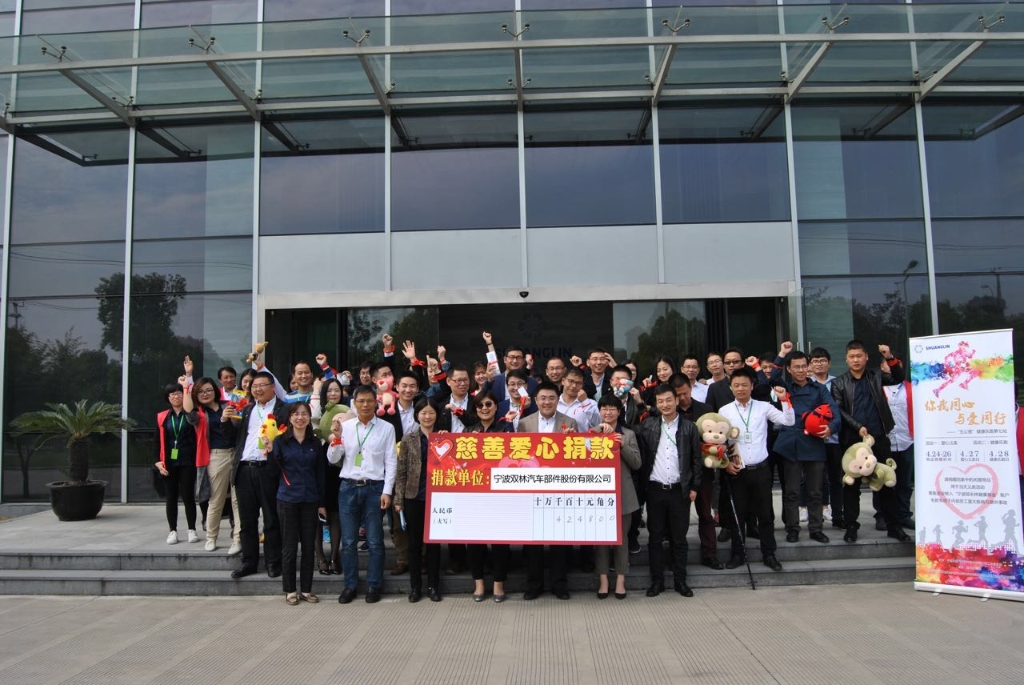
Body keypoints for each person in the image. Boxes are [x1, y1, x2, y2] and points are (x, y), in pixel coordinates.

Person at [831, 340, 910, 543]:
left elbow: (898, 377)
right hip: (852, 440)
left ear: (866, 357)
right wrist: (857, 426)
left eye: (859, 356)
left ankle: (893, 526)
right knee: (851, 486)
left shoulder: (876, 376)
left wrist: (889, 357)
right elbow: (838, 410)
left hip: (879, 438)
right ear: (846, 359)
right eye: (852, 356)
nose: (856, 360)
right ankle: (851, 526)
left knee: (885, 481)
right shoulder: (839, 382)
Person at [327, 384, 398, 604]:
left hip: (375, 488)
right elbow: (332, 458)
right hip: (348, 487)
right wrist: (336, 438)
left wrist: (387, 491)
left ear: (376, 402)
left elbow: (391, 462)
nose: (365, 405)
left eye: (369, 401)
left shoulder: (386, 428)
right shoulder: (346, 427)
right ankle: (350, 585)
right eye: (361, 401)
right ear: (354, 404)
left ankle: (374, 585)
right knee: (348, 541)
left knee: (375, 540)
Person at [720, 366, 794, 572]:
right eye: (736, 385)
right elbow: (719, 441)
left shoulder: (764, 407)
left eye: (744, 385)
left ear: (752, 386)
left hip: (761, 469)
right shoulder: (724, 411)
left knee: (765, 515)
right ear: (731, 388)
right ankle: (738, 554)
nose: (740, 389)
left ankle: (769, 554)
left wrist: (784, 399)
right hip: (738, 470)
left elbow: (789, 421)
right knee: (738, 515)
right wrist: (726, 464)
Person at [636, 384, 702, 597]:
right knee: (655, 538)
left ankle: (680, 581)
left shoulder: (689, 427)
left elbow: (696, 460)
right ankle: (657, 581)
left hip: (679, 491)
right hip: (655, 490)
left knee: (679, 538)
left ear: (676, 400)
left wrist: (694, 487)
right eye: (660, 401)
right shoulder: (648, 425)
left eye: (668, 400)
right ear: (656, 404)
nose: (665, 404)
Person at [770, 344, 840, 544]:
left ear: (808, 367)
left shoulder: (819, 389)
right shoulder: (785, 387)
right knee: (792, 491)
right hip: (791, 442)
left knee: (815, 491)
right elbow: (773, 377)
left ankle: (816, 529)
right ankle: (792, 528)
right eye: (796, 367)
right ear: (789, 369)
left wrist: (831, 428)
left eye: (803, 366)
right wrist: (782, 354)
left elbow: (834, 411)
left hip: (814, 442)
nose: (800, 370)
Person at [517, 381, 578, 600]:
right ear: (535, 400)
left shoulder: (569, 423)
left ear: (557, 400)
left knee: (559, 538)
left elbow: (576, 456)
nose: (547, 402)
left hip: (559, 487)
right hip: (532, 488)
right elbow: (519, 456)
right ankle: (534, 585)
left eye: (551, 398)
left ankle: (559, 585)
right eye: (543, 398)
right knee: (533, 540)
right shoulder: (524, 423)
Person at [269, 401, 326, 605]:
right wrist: (270, 453)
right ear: (290, 418)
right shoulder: (280, 441)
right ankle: (290, 589)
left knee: (309, 547)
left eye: (304, 414)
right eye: (296, 414)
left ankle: (307, 589)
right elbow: (272, 472)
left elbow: (320, 474)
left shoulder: (315, 443)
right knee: (289, 547)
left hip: (310, 500)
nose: (300, 418)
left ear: (310, 418)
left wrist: (322, 502)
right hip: (288, 499)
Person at [228, 370, 283, 580]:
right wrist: (225, 421)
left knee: (271, 518)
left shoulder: (283, 409)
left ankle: (273, 562)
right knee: (247, 520)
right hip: (244, 469)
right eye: (254, 386)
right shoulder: (246, 409)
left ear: (273, 387)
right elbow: (232, 438)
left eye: (262, 385)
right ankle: (249, 562)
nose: (257, 389)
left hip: (268, 469)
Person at [182, 368, 240, 555]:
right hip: (216, 456)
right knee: (216, 500)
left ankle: (238, 539)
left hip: (236, 454)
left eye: (208, 390)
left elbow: (239, 426)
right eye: (200, 392)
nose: (205, 394)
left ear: (215, 390)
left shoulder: (228, 405)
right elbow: (187, 410)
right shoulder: (199, 413)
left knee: (238, 500)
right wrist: (186, 385)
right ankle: (211, 537)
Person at [465, 391, 514, 602]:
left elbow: (512, 458)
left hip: (499, 493)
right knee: (474, 540)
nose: (484, 408)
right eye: (480, 405)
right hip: (474, 493)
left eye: (488, 404)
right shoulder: (468, 431)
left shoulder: (506, 428)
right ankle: (478, 584)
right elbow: (461, 463)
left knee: (499, 540)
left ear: (496, 406)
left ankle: (498, 583)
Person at [394, 399, 444, 603]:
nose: (427, 416)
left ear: (436, 415)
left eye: (431, 413)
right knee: (414, 544)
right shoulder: (408, 439)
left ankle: (433, 586)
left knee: (434, 545)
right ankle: (415, 587)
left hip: (437, 497)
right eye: (423, 413)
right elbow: (401, 471)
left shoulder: (444, 438)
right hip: (413, 496)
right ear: (417, 415)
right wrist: (398, 499)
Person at [592, 394, 641, 599]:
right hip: (598, 494)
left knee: (621, 539)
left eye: (612, 408)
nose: (608, 412)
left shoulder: (628, 434)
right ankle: (603, 580)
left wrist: (622, 446)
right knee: (601, 540)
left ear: (619, 412)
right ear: (599, 412)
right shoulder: (592, 433)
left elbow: (637, 463)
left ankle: (621, 580)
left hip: (623, 493)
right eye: (604, 408)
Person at [671, 373, 721, 569]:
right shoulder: (670, 413)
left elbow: (716, 437)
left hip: (703, 470)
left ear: (691, 389)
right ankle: (676, 557)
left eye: (685, 393)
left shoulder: (705, 410)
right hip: (678, 471)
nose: (682, 398)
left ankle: (710, 554)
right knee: (677, 517)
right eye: (678, 395)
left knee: (705, 514)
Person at [155, 382, 202, 545]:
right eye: (172, 394)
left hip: (188, 460)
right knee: (171, 497)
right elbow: (156, 441)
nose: (176, 396)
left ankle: (192, 529)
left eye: (179, 393)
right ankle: (172, 530)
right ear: (168, 398)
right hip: (169, 462)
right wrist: (158, 462)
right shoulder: (162, 417)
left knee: (188, 495)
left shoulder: (190, 415)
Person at [314, 378, 348, 576]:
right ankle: (320, 558)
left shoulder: (347, 411)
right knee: (317, 513)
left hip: (339, 468)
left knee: (335, 513)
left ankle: (335, 557)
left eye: (337, 390)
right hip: (318, 466)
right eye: (329, 390)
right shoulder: (317, 412)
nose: (333, 394)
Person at [809, 347, 844, 528]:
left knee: (836, 479)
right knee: (816, 481)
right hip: (814, 440)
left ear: (829, 363)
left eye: (822, 360)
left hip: (835, 439)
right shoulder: (807, 384)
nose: (819, 364)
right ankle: (817, 517)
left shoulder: (838, 382)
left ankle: (838, 515)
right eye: (815, 361)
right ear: (810, 364)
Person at [880, 366, 914, 531]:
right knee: (882, 481)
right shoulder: (877, 387)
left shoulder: (911, 388)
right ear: (881, 367)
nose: (890, 366)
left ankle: (903, 515)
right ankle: (882, 515)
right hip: (884, 441)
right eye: (887, 363)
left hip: (906, 439)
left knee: (904, 482)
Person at [557, 367, 600, 433]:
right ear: (563, 381)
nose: (574, 386)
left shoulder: (591, 404)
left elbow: (598, 425)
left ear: (582, 385)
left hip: (583, 439)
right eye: (571, 381)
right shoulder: (553, 403)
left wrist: (585, 402)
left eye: (578, 383)